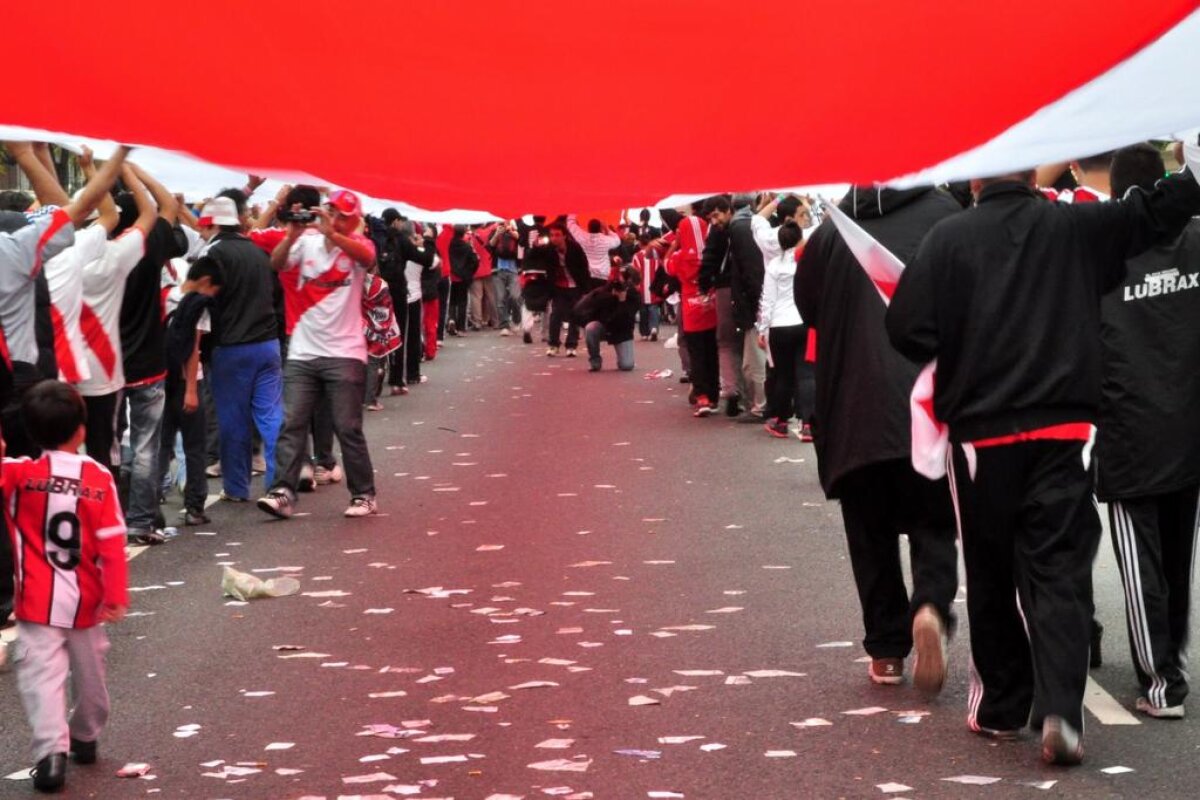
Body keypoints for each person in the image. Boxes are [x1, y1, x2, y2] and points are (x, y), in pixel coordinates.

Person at [886, 148, 1200, 765]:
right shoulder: (1075, 227)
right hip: (1065, 427)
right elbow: (1150, 214)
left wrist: (959, 341)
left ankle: (1002, 708)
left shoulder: (948, 239)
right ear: (1035, 175)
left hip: (983, 435)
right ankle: (1061, 707)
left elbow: (905, 328)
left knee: (992, 569)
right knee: (1059, 568)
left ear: (977, 177)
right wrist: (1190, 174)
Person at [796, 184, 961, 692]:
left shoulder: (831, 235)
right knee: (935, 520)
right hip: (928, 401)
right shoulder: (945, 217)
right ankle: (930, 604)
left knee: (869, 533)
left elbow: (809, 309)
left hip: (854, 407)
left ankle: (887, 650)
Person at [0, 143, 130, 632]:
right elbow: (68, 211)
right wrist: (30, 156)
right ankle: (33, 582)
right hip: (22, 383)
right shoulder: (16, 250)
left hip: (27, 379)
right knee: (32, 485)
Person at [1096, 143, 1200, 720]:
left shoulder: (1104, 257)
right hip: (1186, 426)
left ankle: (1161, 683)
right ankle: (1172, 666)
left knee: (1142, 566)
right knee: (1178, 557)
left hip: (1129, 431)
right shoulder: (1196, 240)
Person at [4, 380, 128, 793]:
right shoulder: (99, 477)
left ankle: (50, 755)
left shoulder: (20, 474)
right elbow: (112, 541)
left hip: (36, 601)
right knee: (91, 675)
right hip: (87, 602)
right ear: (82, 429)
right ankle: (86, 734)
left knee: (43, 677)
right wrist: (116, 594)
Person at [258, 190, 379, 519]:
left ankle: (364, 494)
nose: (335, 218)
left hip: (346, 352)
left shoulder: (357, 244)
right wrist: (291, 235)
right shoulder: (306, 242)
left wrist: (335, 234)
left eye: (342, 215)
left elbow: (367, 258)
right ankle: (283, 491)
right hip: (303, 350)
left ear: (353, 220)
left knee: (347, 426)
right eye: (332, 212)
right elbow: (276, 263)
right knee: (292, 421)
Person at [199, 196, 284, 503]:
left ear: (212, 222)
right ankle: (279, 483)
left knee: (233, 419)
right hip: (268, 343)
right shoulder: (256, 250)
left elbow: (198, 303)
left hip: (230, 348)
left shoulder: (212, 254)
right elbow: (276, 294)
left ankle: (237, 487)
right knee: (271, 416)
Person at [118, 165, 183, 545]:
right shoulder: (151, 244)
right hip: (150, 363)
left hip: (107, 366)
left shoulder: (103, 249)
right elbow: (169, 205)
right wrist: (131, 169)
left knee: (108, 444)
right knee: (146, 446)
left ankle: (109, 515)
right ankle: (140, 521)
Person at [158, 257, 222, 525]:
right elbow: (194, 349)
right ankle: (195, 507)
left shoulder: (163, 295)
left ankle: (148, 508)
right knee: (195, 446)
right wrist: (192, 390)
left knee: (160, 446)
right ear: (206, 282)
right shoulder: (198, 304)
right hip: (186, 383)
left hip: (159, 380)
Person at [755, 221, 810, 437]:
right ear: (799, 239)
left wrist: (762, 329)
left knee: (783, 375)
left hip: (779, 325)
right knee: (806, 375)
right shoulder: (806, 263)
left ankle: (780, 421)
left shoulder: (774, 266)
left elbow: (767, 300)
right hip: (803, 322)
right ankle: (808, 424)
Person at [664, 208, 717, 415]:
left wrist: (676, 243)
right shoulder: (711, 253)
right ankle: (713, 396)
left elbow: (666, 265)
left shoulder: (680, 256)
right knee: (712, 353)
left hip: (691, 312)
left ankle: (701, 396)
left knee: (697, 355)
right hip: (711, 310)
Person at [575, 267, 640, 371]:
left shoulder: (634, 296)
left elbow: (626, 320)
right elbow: (586, 305)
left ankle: (622, 358)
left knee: (626, 365)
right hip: (604, 326)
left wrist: (622, 302)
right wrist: (611, 296)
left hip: (622, 331)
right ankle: (595, 360)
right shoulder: (605, 291)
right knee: (591, 328)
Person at [545, 222, 590, 357]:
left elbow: (584, 268)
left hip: (575, 286)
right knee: (555, 315)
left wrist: (586, 290)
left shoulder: (575, 248)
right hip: (558, 287)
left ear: (564, 236)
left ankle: (571, 345)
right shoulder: (549, 250)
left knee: (575, 315)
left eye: (557, 235)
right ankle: (553, 344)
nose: (554, 238)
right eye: (552, 235)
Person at [567, 214, 621, 287]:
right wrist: (607, 229)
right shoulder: (605, 240)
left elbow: (570, 224)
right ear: (600, 228)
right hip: (603, 276)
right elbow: (617, 241)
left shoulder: (583, 237)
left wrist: (574, 210)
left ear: (588, 228)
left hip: (588, 274)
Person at [490, 221, 522, 335]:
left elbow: (521, 241)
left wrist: (512, 231)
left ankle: (517, 319)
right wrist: (497, 234)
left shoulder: (516, 230)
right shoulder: (495, 230)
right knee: (500, 299)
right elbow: (490, 245)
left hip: (514, 270)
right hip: (498, 270)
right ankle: (504, 325)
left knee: (515, 297)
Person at [447, 225, 478, 335]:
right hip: (463, 278)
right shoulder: (467, 247)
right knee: (462, 302)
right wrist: (469, 273)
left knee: (452, 301)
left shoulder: (449, 245)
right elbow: (475, 261)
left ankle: (451, 319)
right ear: (463, 233)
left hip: (451, 276)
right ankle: (461, 328)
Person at [631, 233, 662, 340]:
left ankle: (644, 333)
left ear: (639, 244)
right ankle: (654, 328)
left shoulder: (637, 256)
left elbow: (635, 272)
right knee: (654, 307)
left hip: (642, 286)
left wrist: (636, 285)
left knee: (643, 309)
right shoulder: (656, 255)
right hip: (654, 285)